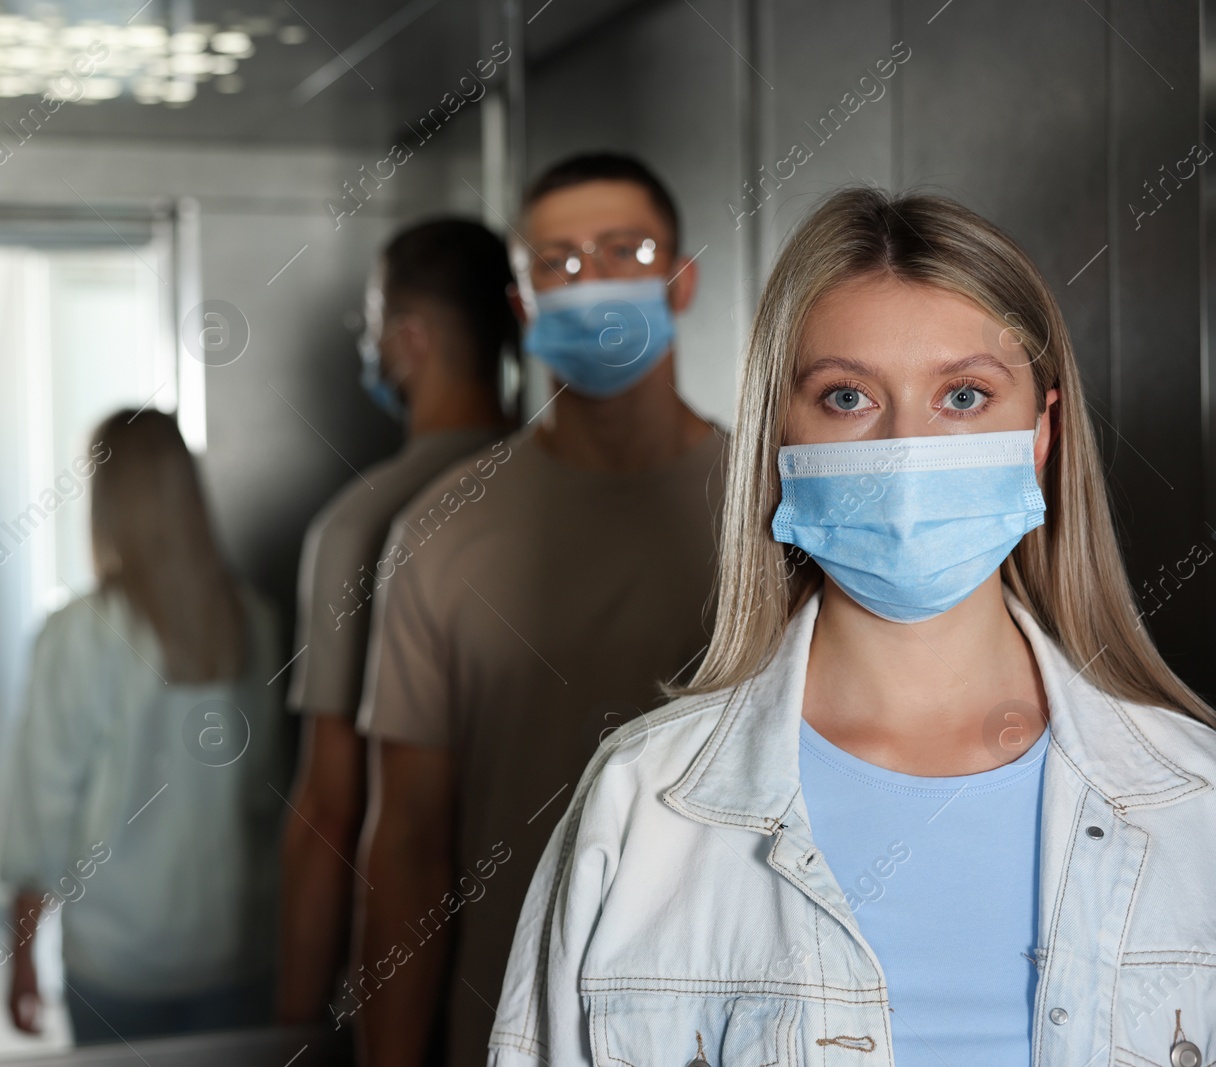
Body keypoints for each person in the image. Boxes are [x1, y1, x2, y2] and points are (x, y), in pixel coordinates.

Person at [488, 187, 1216, 1066]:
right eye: (845, 398)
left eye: (964, 395)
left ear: (1039, 435)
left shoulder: (1193, 805)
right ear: (777, 438)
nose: (903, 448)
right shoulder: (642, 807)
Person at [354, 153, 726, 1067]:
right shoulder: (439, 534)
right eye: (556, 263)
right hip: (507, 1027)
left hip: (733, 1023)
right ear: (521, 306)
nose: (589, 282)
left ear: (682, 280)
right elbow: (406, 842)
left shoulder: (776, 511)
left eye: (623, 251)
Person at [277, 217, 516, 1026]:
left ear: (410, 339)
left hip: (430, 994)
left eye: (373, 323)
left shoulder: (362, 526)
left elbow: (332, 809)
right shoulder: (564, 503)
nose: (368, 345)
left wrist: (295, 1027)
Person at [0, 409, 284, 1044]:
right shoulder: (255, 625)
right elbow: (275, 797)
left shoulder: (79, 634)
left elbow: (42, 809)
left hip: (118, 966)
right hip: (241, 953)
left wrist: (20, 962)